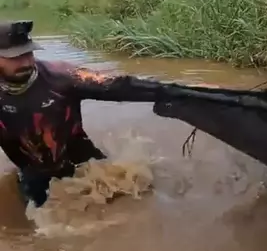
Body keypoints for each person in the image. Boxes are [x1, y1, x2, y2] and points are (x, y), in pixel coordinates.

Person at [0, 19, 166, 208]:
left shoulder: (61, 76)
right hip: (34, 173)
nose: (26, 62)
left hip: (84, 161)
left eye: (28, 53)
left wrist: (181, 93)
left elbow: (121, 86)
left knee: (134, 196)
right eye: (14, 57)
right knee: (36, 222)